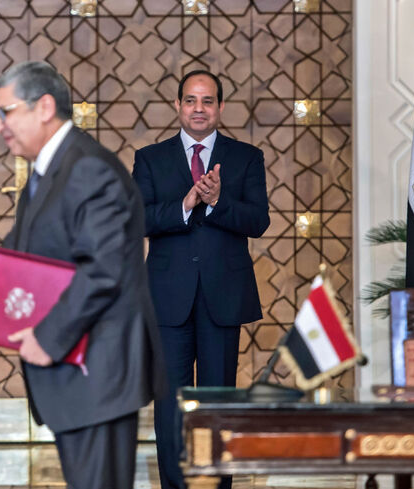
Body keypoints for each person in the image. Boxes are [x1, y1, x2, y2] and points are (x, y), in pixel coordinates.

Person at [0, 61, 164, 489]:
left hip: (97, 373)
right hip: (80, 377)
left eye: (4, 112)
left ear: (44, 107)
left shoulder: (87, 168)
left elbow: (103, 270)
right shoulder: (49, 170)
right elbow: (15, 258)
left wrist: (48, 337)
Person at [132, 70, 270, 489]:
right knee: (171, 407)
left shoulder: (246, 157)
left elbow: (258, 221)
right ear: (177, 106)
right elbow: (138, 219)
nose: (198, 108)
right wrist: (186, 202)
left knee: (217, 404)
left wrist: (216, 202)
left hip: (222, 298)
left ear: (220, 108)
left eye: (207, 101)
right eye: (190, 100)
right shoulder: (150, 158)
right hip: (167, 299)